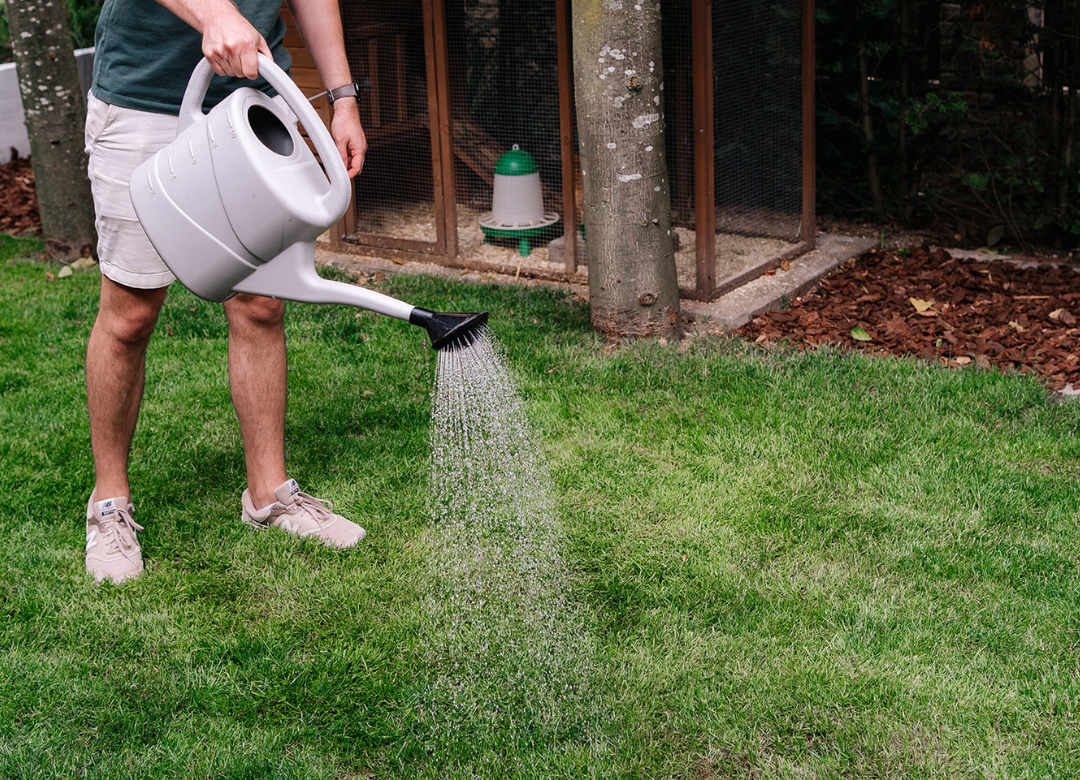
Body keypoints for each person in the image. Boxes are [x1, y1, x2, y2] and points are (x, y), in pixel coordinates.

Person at [83, 0, 368, 584]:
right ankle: (108, 504)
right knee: (130, 314)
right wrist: (213, 13)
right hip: (143, 99)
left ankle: (269, 495)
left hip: (256, 98)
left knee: (262, 302)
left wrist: (343, 98)